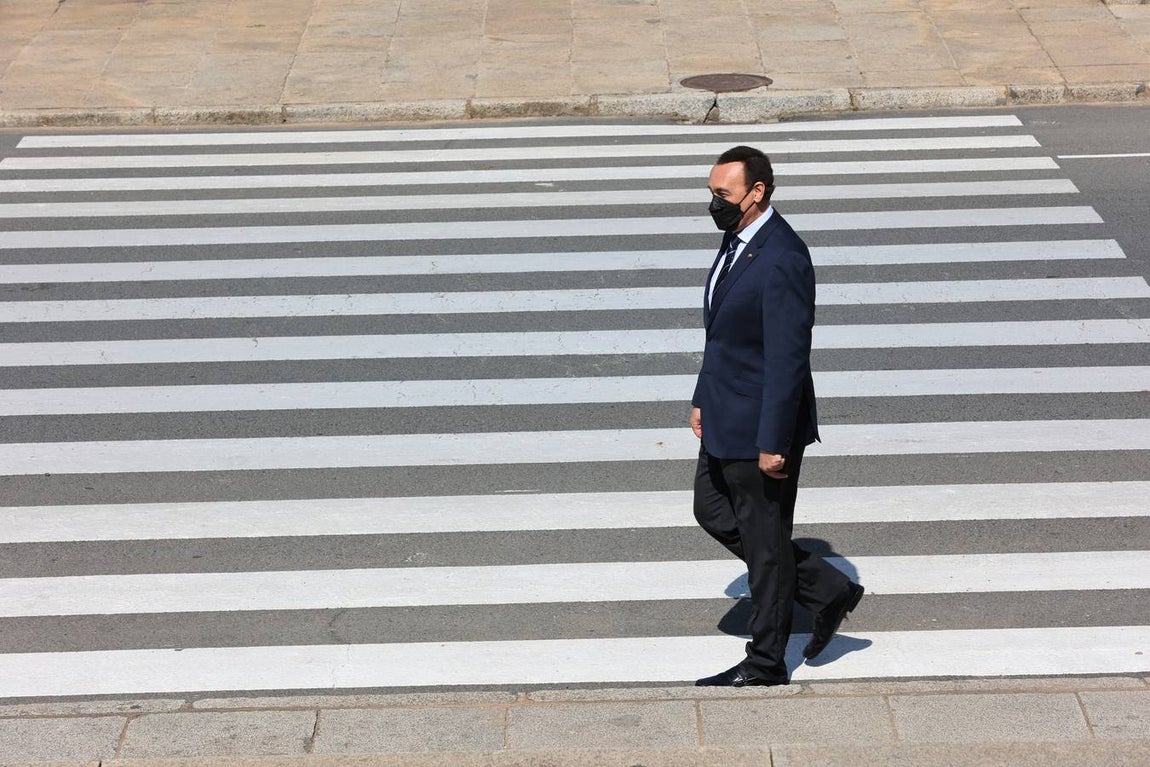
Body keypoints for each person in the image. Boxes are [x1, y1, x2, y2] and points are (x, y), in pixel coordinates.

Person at [691, 146, 864, 687]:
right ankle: (823, 587)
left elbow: (789, 359)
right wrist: (701, 396)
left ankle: (766, 662)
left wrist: (774, 442)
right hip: (725, 410)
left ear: (756, 193)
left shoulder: (784, 256)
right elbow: (722, 331)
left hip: (761, 424)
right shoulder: (739, 240)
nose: (713, 203)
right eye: (712, 192)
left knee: (765, 550)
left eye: (722, 194)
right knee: (713, 511)